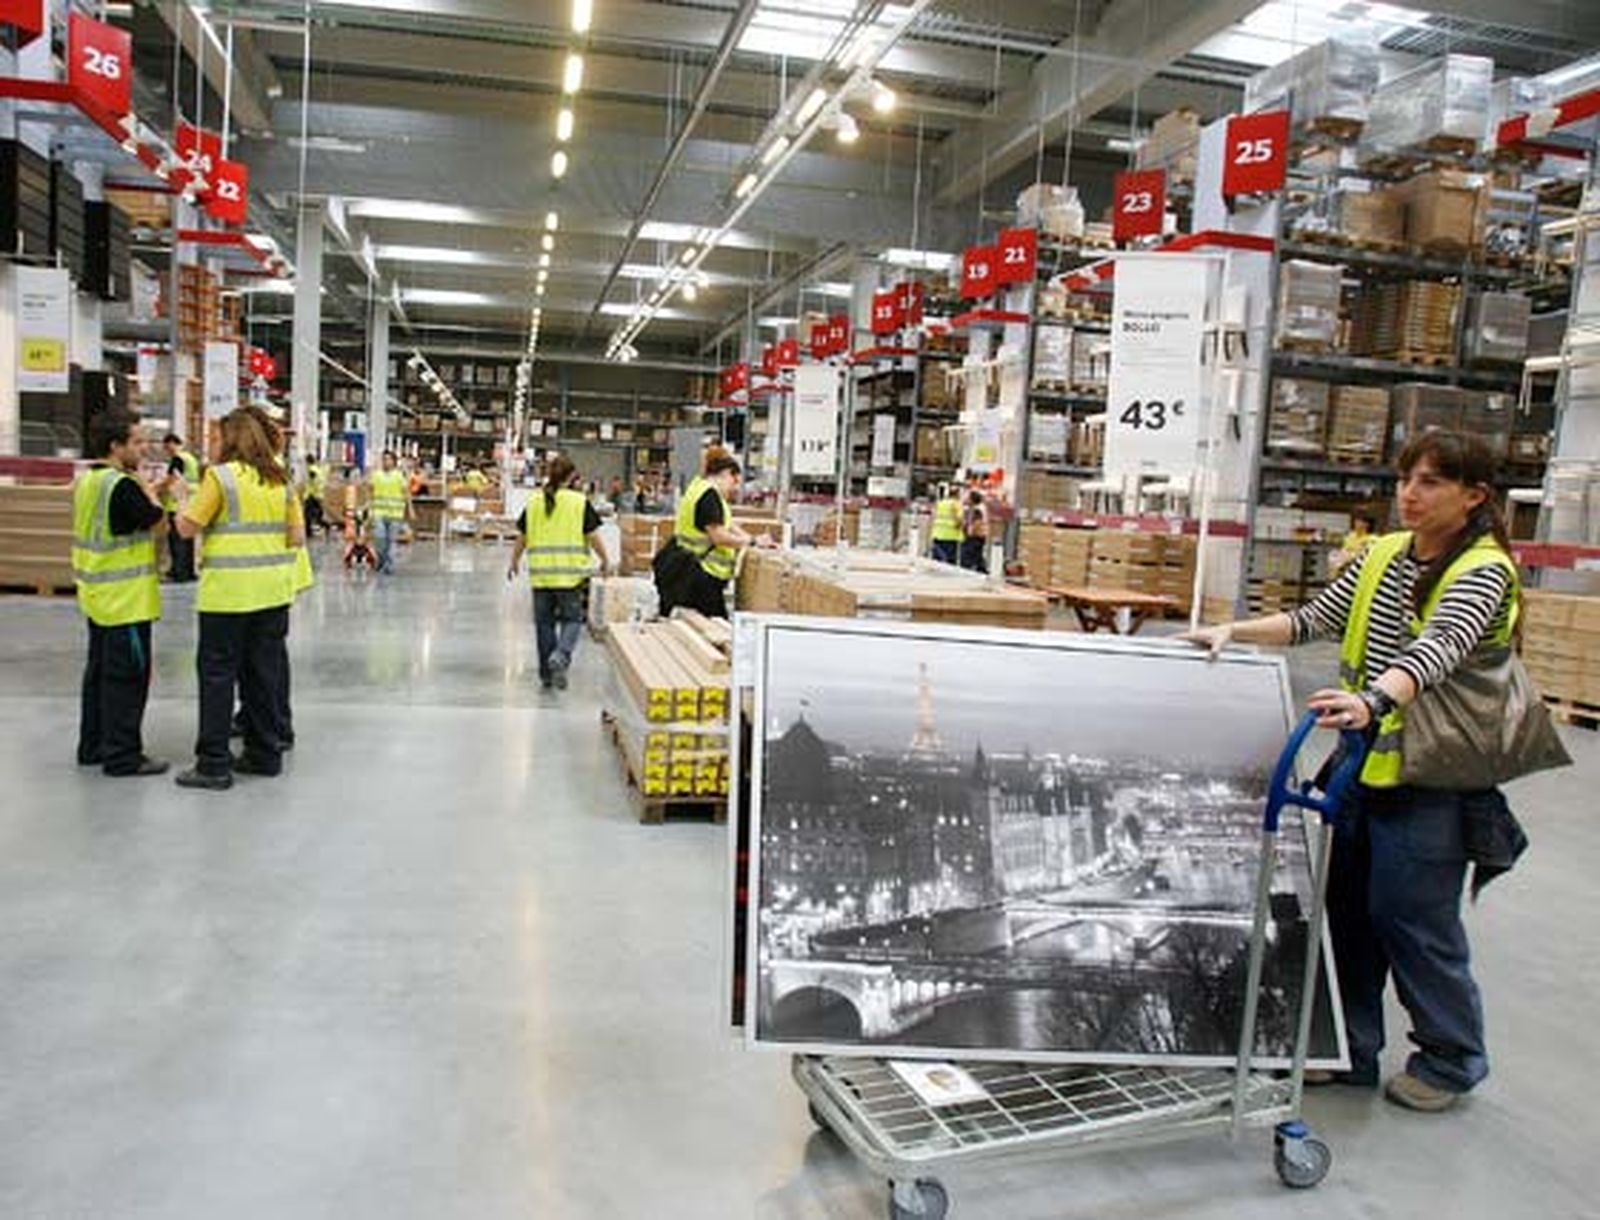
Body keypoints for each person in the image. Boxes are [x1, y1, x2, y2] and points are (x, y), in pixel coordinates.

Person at [1182, 431, 1522, 1113]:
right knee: (1343, 913)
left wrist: (1372, 700)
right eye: (1405, 479)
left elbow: (1439, 647)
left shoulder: (1483, 570)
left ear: (1474, 496)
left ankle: (1452, 1059)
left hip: (1432, 781)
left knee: (1412, 920)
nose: (1410, 494)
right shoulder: (1384, 556)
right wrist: (1233, 632)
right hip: (1360, 770)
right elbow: (1314, 619)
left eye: (1430, 482)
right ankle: (1348, 1048)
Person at [173, 407, 304, 790]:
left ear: (231, 439)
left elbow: (185, 528)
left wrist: (183, 498)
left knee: (217, 677)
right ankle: (265, 755)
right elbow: (296, 538)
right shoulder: (282, 482)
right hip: (273, 594)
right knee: (263, 675)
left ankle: (213, 764)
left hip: (227, 597)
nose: (213, 444)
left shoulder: (221, 478)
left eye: (216, 437)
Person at [72, 410, 170, 777]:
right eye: (137, 442)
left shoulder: (89, 480)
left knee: (98, 675)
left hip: (98, 595)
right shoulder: (122, 486)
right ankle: (123, 755)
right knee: (127, 679)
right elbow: (155, 520)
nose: (143, 449)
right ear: (116, 446)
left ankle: (93, 745)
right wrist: (154, 493)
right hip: (126, 599)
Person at [507, 456, 611, 690]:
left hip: (541, 576)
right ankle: (561, 656)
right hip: (569, 576)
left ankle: (547, 674)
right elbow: (593, 536)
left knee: (544, 624)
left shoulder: (534, 502)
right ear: (571, 477)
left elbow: (522, 537)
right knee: (572, 620)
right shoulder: (578, 502)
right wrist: (605, 559)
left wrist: (514, 560)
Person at [653, 448, 771, 619]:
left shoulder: (698, 487)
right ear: (725, 473)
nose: (734, 488)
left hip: (688, 567)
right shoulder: (709, 495)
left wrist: (752, 539)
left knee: (700, 623)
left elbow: (726, 525)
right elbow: (718, 536)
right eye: (734, 481)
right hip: (700, 573)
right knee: (717, 627)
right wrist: (751, 542)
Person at [160, 432, 201, 582]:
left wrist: (153, 488)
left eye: (166, 447)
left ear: (172, 443)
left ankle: (179, 572)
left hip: (177, 504)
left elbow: (171, 479)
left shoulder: (178, 459)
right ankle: (189, 572)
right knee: (188, 540)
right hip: (192, 502)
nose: (166, 451)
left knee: (177, 540)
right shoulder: (190, 458)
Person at [368, 450, 411, 575]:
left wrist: (410, 509)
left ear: (394, 462)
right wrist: (369, 507)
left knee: (391, 541)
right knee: (380, 539)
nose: (386, 462)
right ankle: (381, 560)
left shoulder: (399, 476)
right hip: (378, 513)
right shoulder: (376, 475)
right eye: (384, 459)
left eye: (389, 459)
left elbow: (406, 493)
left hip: (395, 514)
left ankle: (389, 566)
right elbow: (370, 490)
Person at [1332, 512, 1379, 577]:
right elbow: (1344, 549)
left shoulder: (1372, 539)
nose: (1356, 523)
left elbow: (1366, 555)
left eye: (1360, 521)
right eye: (1356, 521)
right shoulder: (1351, 535)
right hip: (1344, 566)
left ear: (1367, 524)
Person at [930, 483, 963, 565]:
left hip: (937, 533)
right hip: (950, 535)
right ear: (957, 494)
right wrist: (959, 526)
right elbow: (959, 518)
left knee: (937, 557)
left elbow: (933, 515)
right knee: (949, 560)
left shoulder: (941, 502)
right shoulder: (956, 504)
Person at [959, 488, 989, 573]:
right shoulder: (978, 508)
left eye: (968, 498)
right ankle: (982, 571)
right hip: (978, 536)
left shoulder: (977, 510)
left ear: (972, 499)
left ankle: (966, 572)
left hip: (974, 536)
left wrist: (970, 532)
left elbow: (977, 523)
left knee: (966, 556)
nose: (966, 499)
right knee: (977, 556)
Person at [303, 457, 329, 539]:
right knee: (314, 514)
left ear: (308, 461)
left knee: (308, 514)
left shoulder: (312, 470)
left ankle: (309, 532)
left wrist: (311, 493)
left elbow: (314, 482)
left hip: (312, 496)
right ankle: (311, 531)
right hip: (317, 495)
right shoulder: (317, 469)